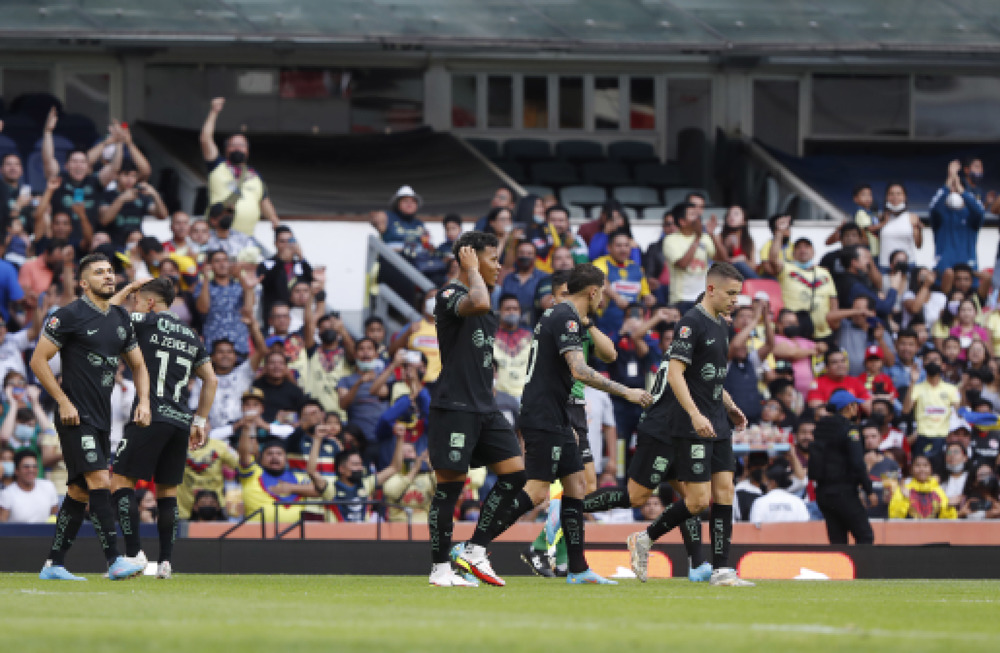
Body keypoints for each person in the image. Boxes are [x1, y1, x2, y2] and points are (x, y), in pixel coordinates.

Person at [493, 263, 652, 586]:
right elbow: (580, 370)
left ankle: (575, 566)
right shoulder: (561, 317)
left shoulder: (574, 319)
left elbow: (608, 354)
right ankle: (480, 545)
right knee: (542, 490)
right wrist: (628, 393)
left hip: (566, 411)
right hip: (555, 408)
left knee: (579, 485)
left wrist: (587, 321)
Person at [626, 262, 754, 587]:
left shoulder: (722, 326)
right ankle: (644, 538)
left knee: (725, 493)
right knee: (698, 501)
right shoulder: (690, 323)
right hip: (691, 424)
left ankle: (722, 570)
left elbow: (711, 380)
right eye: (731, 294)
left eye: (738, 295)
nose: (735, 301)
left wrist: (731, 407)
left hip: (718, 423)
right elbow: (675, 373)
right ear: (711, 289)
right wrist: (696, 415)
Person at [30, 252, 151, 581]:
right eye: (99, 273)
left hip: (102, 418)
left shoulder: (120, 319)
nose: (108, 276)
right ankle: (115, 561)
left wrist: (144, 401)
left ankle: (54, 564)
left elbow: (139, 365)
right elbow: (38, 361)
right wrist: (62, 400)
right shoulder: (68, 316)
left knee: (79, 492)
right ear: (84, 283)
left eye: (110, 271)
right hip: (74, 416)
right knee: (101, 480)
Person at [425, 231, 527, 588]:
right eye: (493, 259)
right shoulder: (452, 294)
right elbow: (480, 303)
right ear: (470, 258)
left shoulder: (484, 300)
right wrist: (469, 270)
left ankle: (474, 547)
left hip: (486, 406)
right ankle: (440, 568)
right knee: (449, 489)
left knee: (515, 474)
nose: (499, 266)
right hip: (455, 406)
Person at [107, 277, 218, 579]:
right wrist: (200, 420)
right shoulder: (192, 335)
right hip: (180, 420)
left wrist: (126, 290)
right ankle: (166, 563)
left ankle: (133, 555)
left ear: (150, 303)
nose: (135, 304)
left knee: (120, 483)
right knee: (167, 492)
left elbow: (106, 312)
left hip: (149, 413)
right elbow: (212, 379)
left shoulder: (145, 320)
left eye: (139, 300)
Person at [200, 97, 280, 234]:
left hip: (246, 238)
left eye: (241, 145)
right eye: (233, 145)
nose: (237, 148)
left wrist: (274, 219)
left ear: (247, 151)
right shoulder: (217, 166)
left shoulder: (255, 175)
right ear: (226, 150)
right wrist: (214, 112)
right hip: (217, 235)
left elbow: (263, 200)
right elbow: (205, 139)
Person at [42, 109, 122, 242]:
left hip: (86, 240)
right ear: (66, 166)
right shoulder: (58, 180)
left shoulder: (95, 181)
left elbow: (115, 168)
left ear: (88, 167)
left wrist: (119, 142)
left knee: (102, 238)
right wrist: (47, 132)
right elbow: (47, 160)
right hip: (60, 240)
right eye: (74, 162)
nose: (78, 165)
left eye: (82, 162)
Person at [809, 389, 877, 544]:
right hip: (844, 491)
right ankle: (863, 568)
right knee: (865, 536)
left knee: (837, 541)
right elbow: (857, 463)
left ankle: (840, 569)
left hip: (823, 493)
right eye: (855, 405)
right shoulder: (850, 430)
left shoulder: (821, 428)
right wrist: (869, 490)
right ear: (849, 407)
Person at [305, 426, 404, 523]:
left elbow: (395, 467)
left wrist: (400, 438)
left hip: (363, 536)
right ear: (342, 469)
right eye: (355, 464)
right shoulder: (330, 488)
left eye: (360, 464)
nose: (360, 468)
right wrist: (317, 439)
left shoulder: (366, 484)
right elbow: (311, 471)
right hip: (337, 537)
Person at [663, 202, 726, 312]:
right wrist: (697, 238)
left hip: (704, 299)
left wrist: (712, 235)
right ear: (682, 221)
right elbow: (682, 264)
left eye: (697, 215)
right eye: (692, 214)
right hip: (682, 300)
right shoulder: (671, 240)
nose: (698, 218)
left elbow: (722, 259)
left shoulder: (705, 237)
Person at [593, 229, 656, 335]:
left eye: (626, 245)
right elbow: (600, 280)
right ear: (609, 247)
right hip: (607, 323)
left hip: (633, 324)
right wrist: (617, 298)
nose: (623, 249)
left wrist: (650, 299)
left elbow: (646, 294)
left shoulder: (637, 268)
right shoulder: (600, 263)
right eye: (618, 245)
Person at [930, 159, 985, 273]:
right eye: (952, 190)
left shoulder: (971, 216)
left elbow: (980, 211)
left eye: (957, 189)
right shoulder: (940, 215)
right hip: (943, 270)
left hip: (967, 271)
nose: (954, 192)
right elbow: (934, 208)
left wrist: (961, 190)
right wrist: (948, 181)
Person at [98, 161, 168, 249]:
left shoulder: (141, 197)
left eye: (134, 176)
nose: (130, 180)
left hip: (137, 242)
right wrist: (121, 199)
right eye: (126, 175)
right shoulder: (107, 195)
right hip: (113, 242)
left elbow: (163, 216)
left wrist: (155, 194)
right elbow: (104, 220)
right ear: (117, 176)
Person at [904, 358, 960, 459]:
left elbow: (959, 413)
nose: (932, 363)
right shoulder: (917, 388)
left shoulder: (951, 389)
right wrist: (912, 382)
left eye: (935, 360)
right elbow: (906, 410)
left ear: (943, 365)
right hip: (922, 437)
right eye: (929, 360)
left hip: (943, 437)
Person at [257, 226, 313, 322]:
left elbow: (312, 279)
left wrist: (301, 257)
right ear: (276, 244)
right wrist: (281, 261)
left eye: (290, 241)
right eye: (283, 241)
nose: (287, 245)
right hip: (275, 317)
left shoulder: (300, 264)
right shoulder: (267, 264)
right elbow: (267, 282)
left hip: (299, 316)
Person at [888, 454, 957, 519]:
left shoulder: (938, 490)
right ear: (911, 470)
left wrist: (949, 507)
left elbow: (948, 520)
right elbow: (895, 517)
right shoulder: (904, 490)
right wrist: (905, 499)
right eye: (917, 466)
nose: (922, 469)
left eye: (925, 465)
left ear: (931, 469)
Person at [0, 450, 59, 523]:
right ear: (16, 470)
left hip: (45, 534)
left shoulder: (48, 487)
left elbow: (55, 517)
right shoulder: (7, 494)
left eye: (34, 467)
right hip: (17, 534)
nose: (31, 470)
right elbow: (3, 527)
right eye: (26, 467)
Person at [493, 294, 533, 399]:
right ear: (499, 311)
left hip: (526, 396)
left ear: (520, 312)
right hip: (500, 395)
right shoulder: (491, 337)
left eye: (515, 309)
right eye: (507, 309)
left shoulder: (530, 338)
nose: (512, 312)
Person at [878, 183, 922, 270]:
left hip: (907, 264)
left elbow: (918, 245)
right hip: (885, 265)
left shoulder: (912, 217)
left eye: (899, 194)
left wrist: (917, 228)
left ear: (905, 197)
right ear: (886, 197)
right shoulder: (881, 218)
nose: (895, 197)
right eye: (891, 194)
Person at [862, 422, 901, 519]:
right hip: (860, 516)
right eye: (866, 437)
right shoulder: (854, 462)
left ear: (881, 439)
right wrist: (868, 466)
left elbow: (889, 495)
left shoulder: (890, 464)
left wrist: (889, 493)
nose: (869, 440)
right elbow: (853, 489)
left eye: (873, 436)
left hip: (883, 516)